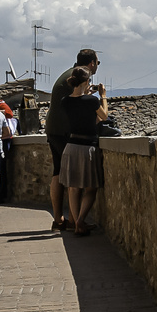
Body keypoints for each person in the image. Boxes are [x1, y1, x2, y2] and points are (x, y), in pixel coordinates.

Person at [45, 49, 99, 230]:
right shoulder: (78, 76)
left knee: (58, 172)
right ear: (91, 63)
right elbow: (81, 106)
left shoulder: (69, 75)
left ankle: (60, 219)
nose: (97, 67)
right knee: (71, 179)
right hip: (65, 133)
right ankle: (73, 221)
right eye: (97, 63)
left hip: (53, 129)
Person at [53, 67, 107, 236]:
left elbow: (82, 114)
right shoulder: (91, 101)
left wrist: (86, 92)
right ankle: (80, 221)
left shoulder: (65, 101)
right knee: (90, 188)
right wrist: (103, 97)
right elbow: (103, 116)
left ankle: (76, 222)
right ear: (85, 82)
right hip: (87, 147)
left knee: (73, 188)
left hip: (71, 147)